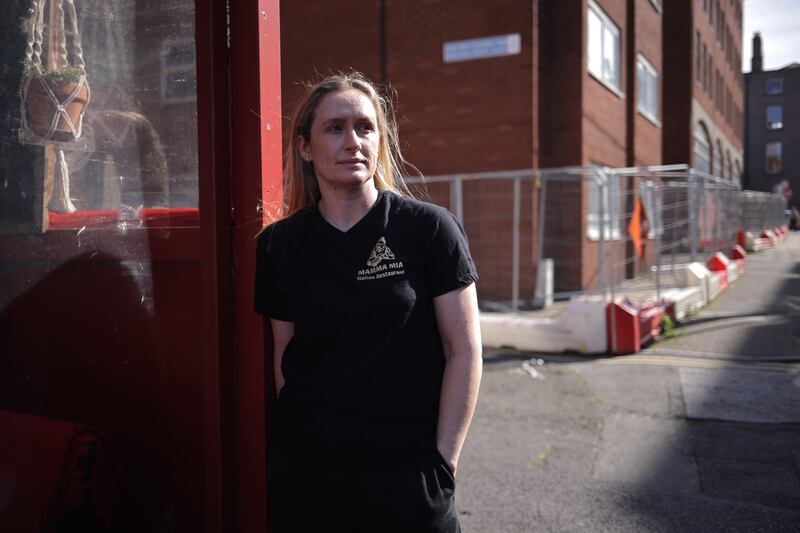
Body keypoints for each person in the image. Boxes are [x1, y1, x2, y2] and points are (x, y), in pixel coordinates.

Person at [254, 72, 482, 532]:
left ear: (379, 141)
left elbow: (465, 349)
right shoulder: (278, 245)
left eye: (365, 127)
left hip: (409, 478)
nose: (352, 141)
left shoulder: (429, 229)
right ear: (305, 147)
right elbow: (285, 357)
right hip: (310, 479)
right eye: (335, 128)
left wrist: (444, 461)